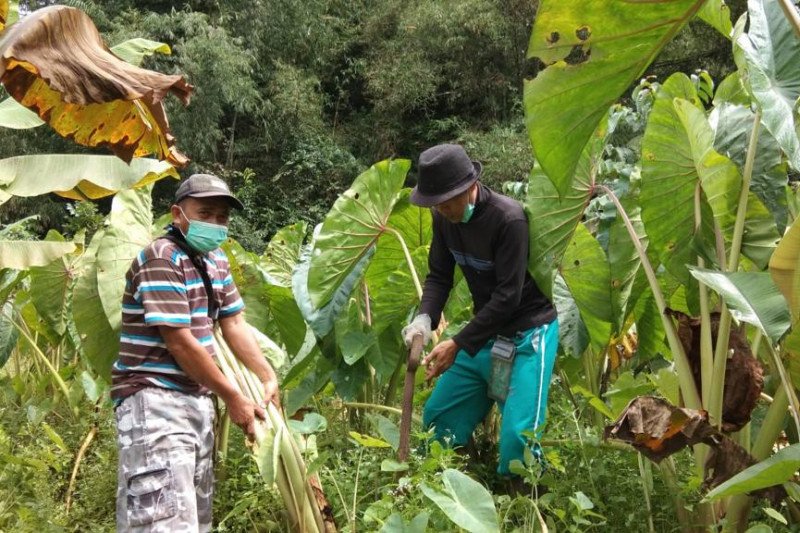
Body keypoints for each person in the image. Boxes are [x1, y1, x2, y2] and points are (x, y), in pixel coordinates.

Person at [111, 174, 280, 531]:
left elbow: (234, 324)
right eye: (205, 213)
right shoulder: (161, 256)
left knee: (190, 520)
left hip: (196, 401)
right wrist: (234, 396)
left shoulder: (215, 260)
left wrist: (267, 376)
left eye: (222, 217)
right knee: (163, 521)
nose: (215, 224)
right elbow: (180, 342)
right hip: (154, 401)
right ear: (177, 214)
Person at [403, 144, 559, 481]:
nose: (442, 210)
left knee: (519, 438)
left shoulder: (508, 219)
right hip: (488, 332)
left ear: (469, 187)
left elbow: (507, 297)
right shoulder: (444, 219)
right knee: (439, 415)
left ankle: (528, 507)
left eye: (447, 202)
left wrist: (457, 343)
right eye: (436, 204)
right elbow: (439, 276)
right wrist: (423, 319)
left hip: (529, 333)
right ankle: (459, 484)